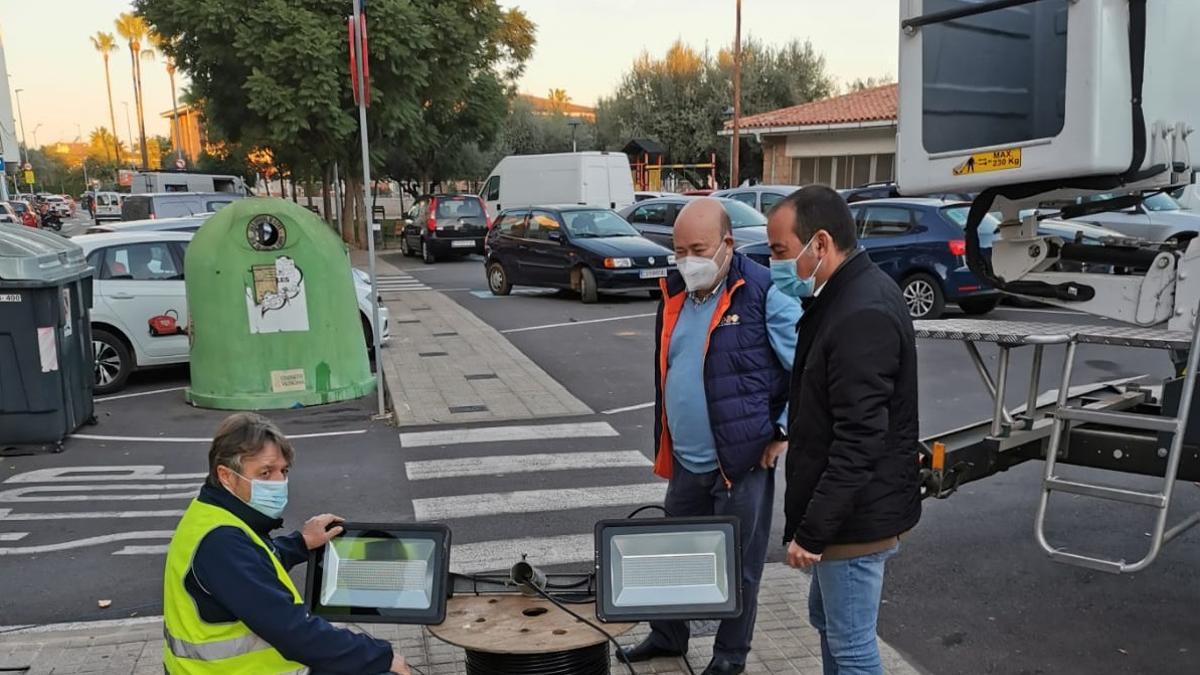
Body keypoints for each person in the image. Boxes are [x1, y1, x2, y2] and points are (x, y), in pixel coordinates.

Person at [618, 198, 800, 675]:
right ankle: (669, 636)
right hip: (687, 460)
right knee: (677, 554)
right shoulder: (676, 290)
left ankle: (729, 657)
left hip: (741, 463)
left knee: (739, 568)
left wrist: (782, 430)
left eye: (698, 248)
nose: (687, 260)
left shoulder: (763, 293)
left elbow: (809, 371)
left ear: (727, 244)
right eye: (679, 250)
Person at [767, 185, 921, 675]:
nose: (773, 263)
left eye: (779, 251)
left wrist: (812, 534)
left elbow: (859, 440)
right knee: (829, 625)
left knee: (853, 649)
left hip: (853, 524)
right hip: (846, 517)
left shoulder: (860, 312)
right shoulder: (845, 295)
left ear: (820, 244)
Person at [162, 412, 410, 675]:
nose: (279, 482)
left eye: (284, 471)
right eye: (265, 472)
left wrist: (301, 543)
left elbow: (254, 565)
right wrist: (379, 656)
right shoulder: (222, 542)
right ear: (226, 475)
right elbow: (293, 631)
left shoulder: (213, 515)